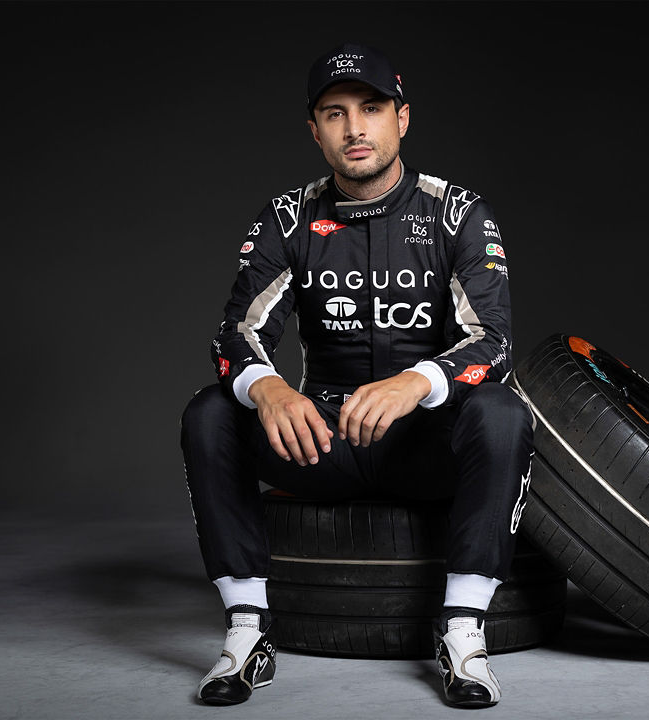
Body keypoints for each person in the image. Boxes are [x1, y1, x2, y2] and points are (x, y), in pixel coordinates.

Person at [179, 42, 532, 709]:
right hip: (323, 444)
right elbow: (235, 334)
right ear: (315, 132)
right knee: (211, 410)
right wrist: (270, 388)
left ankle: (463, 635)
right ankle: (247, 632)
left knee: (503, 411)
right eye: (334, 114)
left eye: (371, 108)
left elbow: (494, 342)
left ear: (403, 118)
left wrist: (414, 382)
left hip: (426, 447)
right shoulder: (287, 218)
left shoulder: (458, 213)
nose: (355, 128)